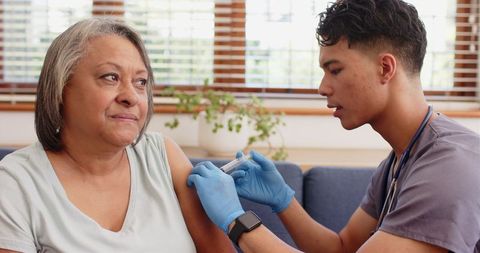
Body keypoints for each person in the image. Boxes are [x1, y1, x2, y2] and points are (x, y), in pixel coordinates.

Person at [187, 0, 480, 252]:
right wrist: (283, 200)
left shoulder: (449, 169)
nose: (323, 88)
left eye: (335, 70)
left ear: (385, 68)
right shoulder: (400, 160)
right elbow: (341, 248)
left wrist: (236, 220)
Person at [0, 18, 236, 252]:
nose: (131, 96)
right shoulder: (15, 182)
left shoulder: (163, 155)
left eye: (140, 82)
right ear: (61, 88)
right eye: (111, 77)